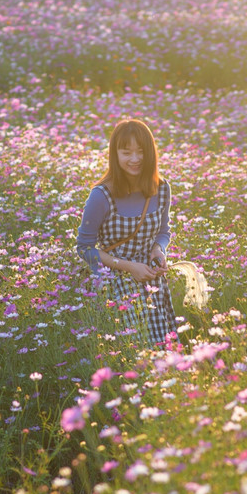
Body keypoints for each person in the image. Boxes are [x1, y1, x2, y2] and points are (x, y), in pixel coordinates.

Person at [76, 119, 179, 348]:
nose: (134, 159)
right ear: (115, 154)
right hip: (114, 283)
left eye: (141, 151)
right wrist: (129, 266)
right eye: (126, 152)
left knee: (162, 352)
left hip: (152, 282)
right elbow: (85, 248)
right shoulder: (101, 195)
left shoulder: (161, 188)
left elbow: (163, 231)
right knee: (130, 354)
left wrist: (158, 250)